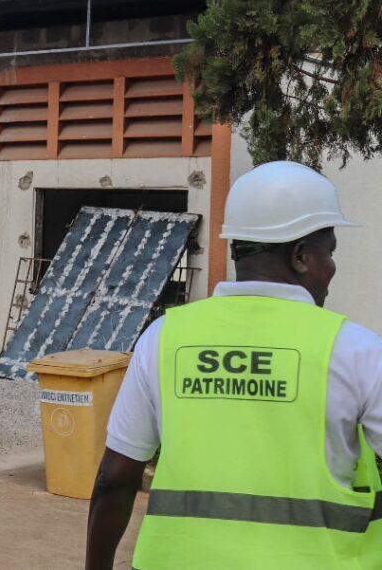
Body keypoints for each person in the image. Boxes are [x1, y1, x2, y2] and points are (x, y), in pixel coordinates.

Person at [86, 161, 382, 569]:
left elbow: (115, 478)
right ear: (300, 256)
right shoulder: (356, 350)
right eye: (329, 252)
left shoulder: (164, 337)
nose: (332, 267)